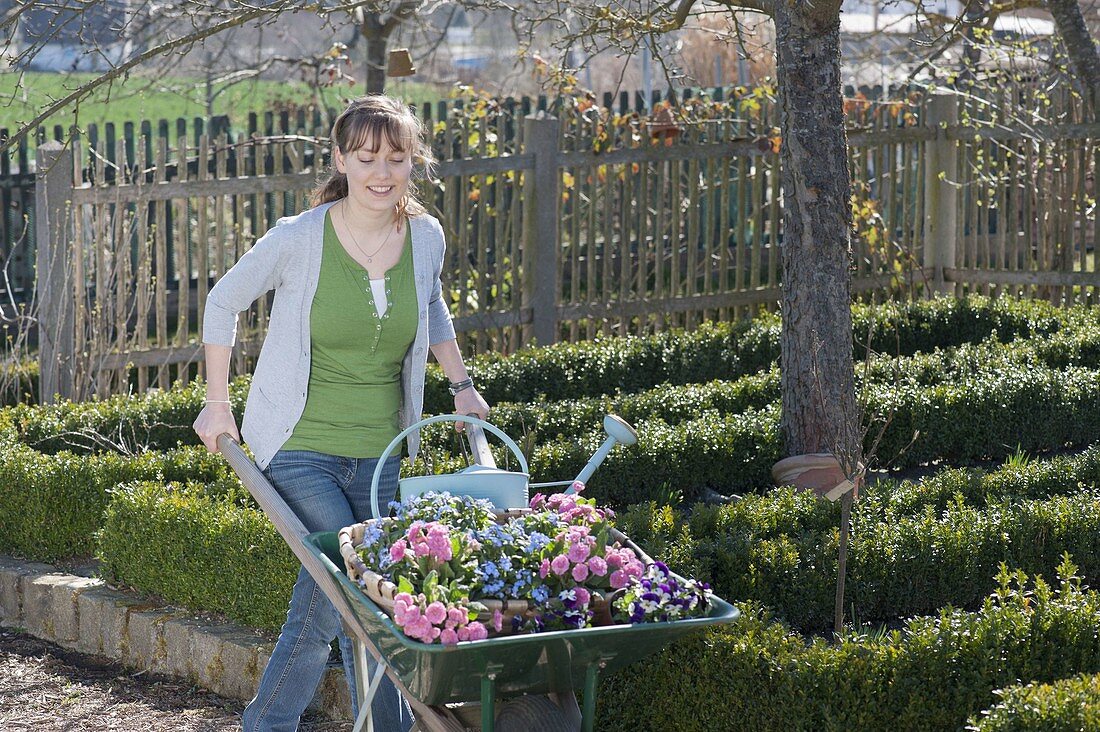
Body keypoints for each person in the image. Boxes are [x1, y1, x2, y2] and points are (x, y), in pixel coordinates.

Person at [193, 94, 489, 732]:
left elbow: (430, 305)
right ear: (341, 160)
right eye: (367, 158)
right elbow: (222, 303)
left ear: (414, 161)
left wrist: (462, 385)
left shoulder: (426, 237)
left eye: (396, 157)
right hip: (300, 448)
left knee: (385, 599)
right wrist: (218, 405)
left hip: (383, 451)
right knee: (334, 591)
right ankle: (265, 726)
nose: (382, 172)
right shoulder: (301, 239)